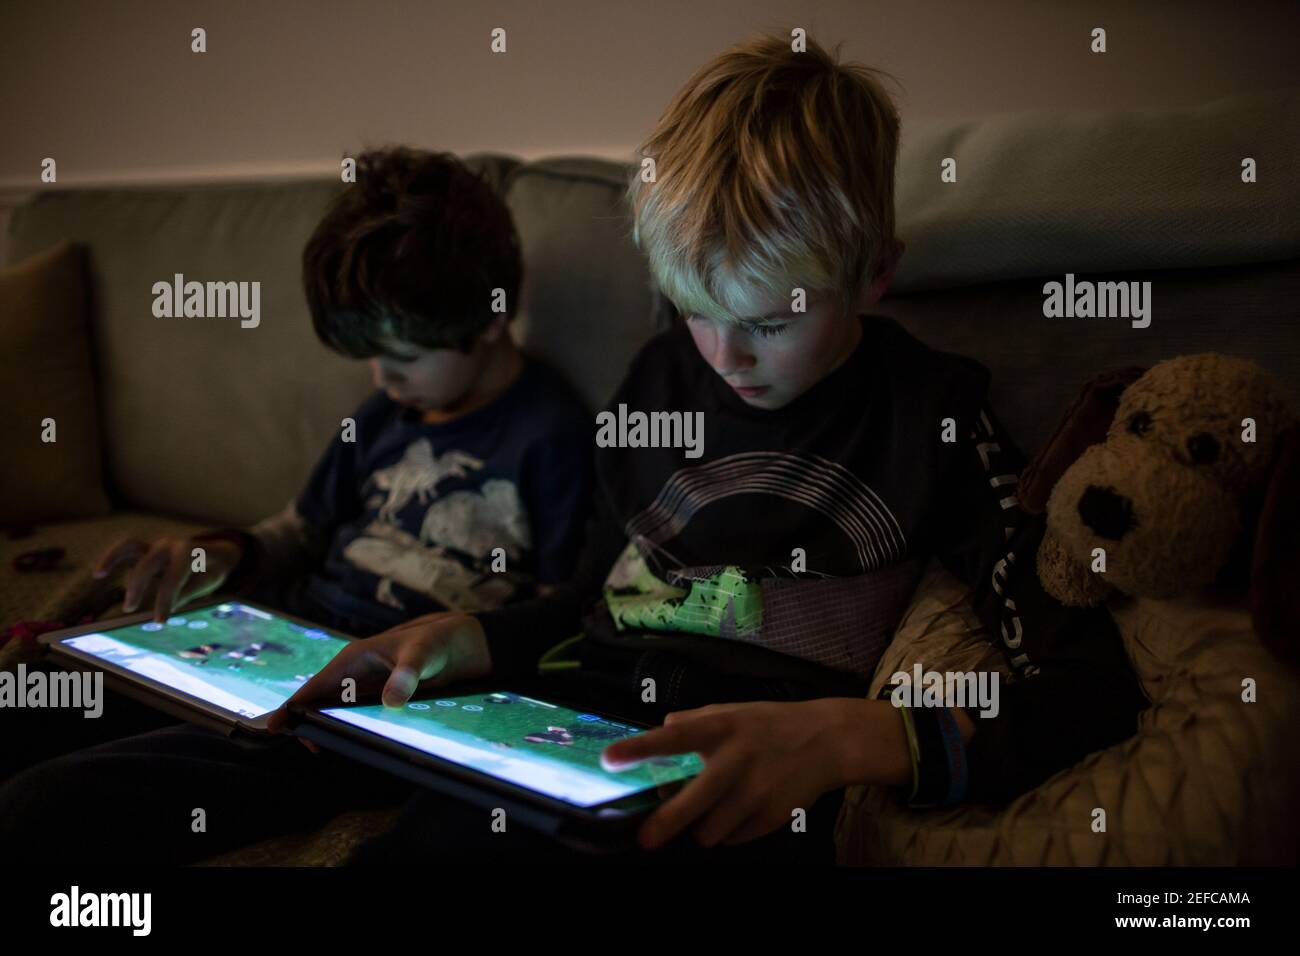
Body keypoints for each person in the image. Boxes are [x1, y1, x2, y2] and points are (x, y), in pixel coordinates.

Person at [277, 35, 1146, 866]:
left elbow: (1088, 683)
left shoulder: (935, 414)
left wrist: (863, 735)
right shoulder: (656, 376)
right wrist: (470, 639)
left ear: (875, 272)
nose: (725, 360)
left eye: (769, 322)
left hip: (751, 788)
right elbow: (592, 604)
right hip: (572, 740)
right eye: (696, 309)